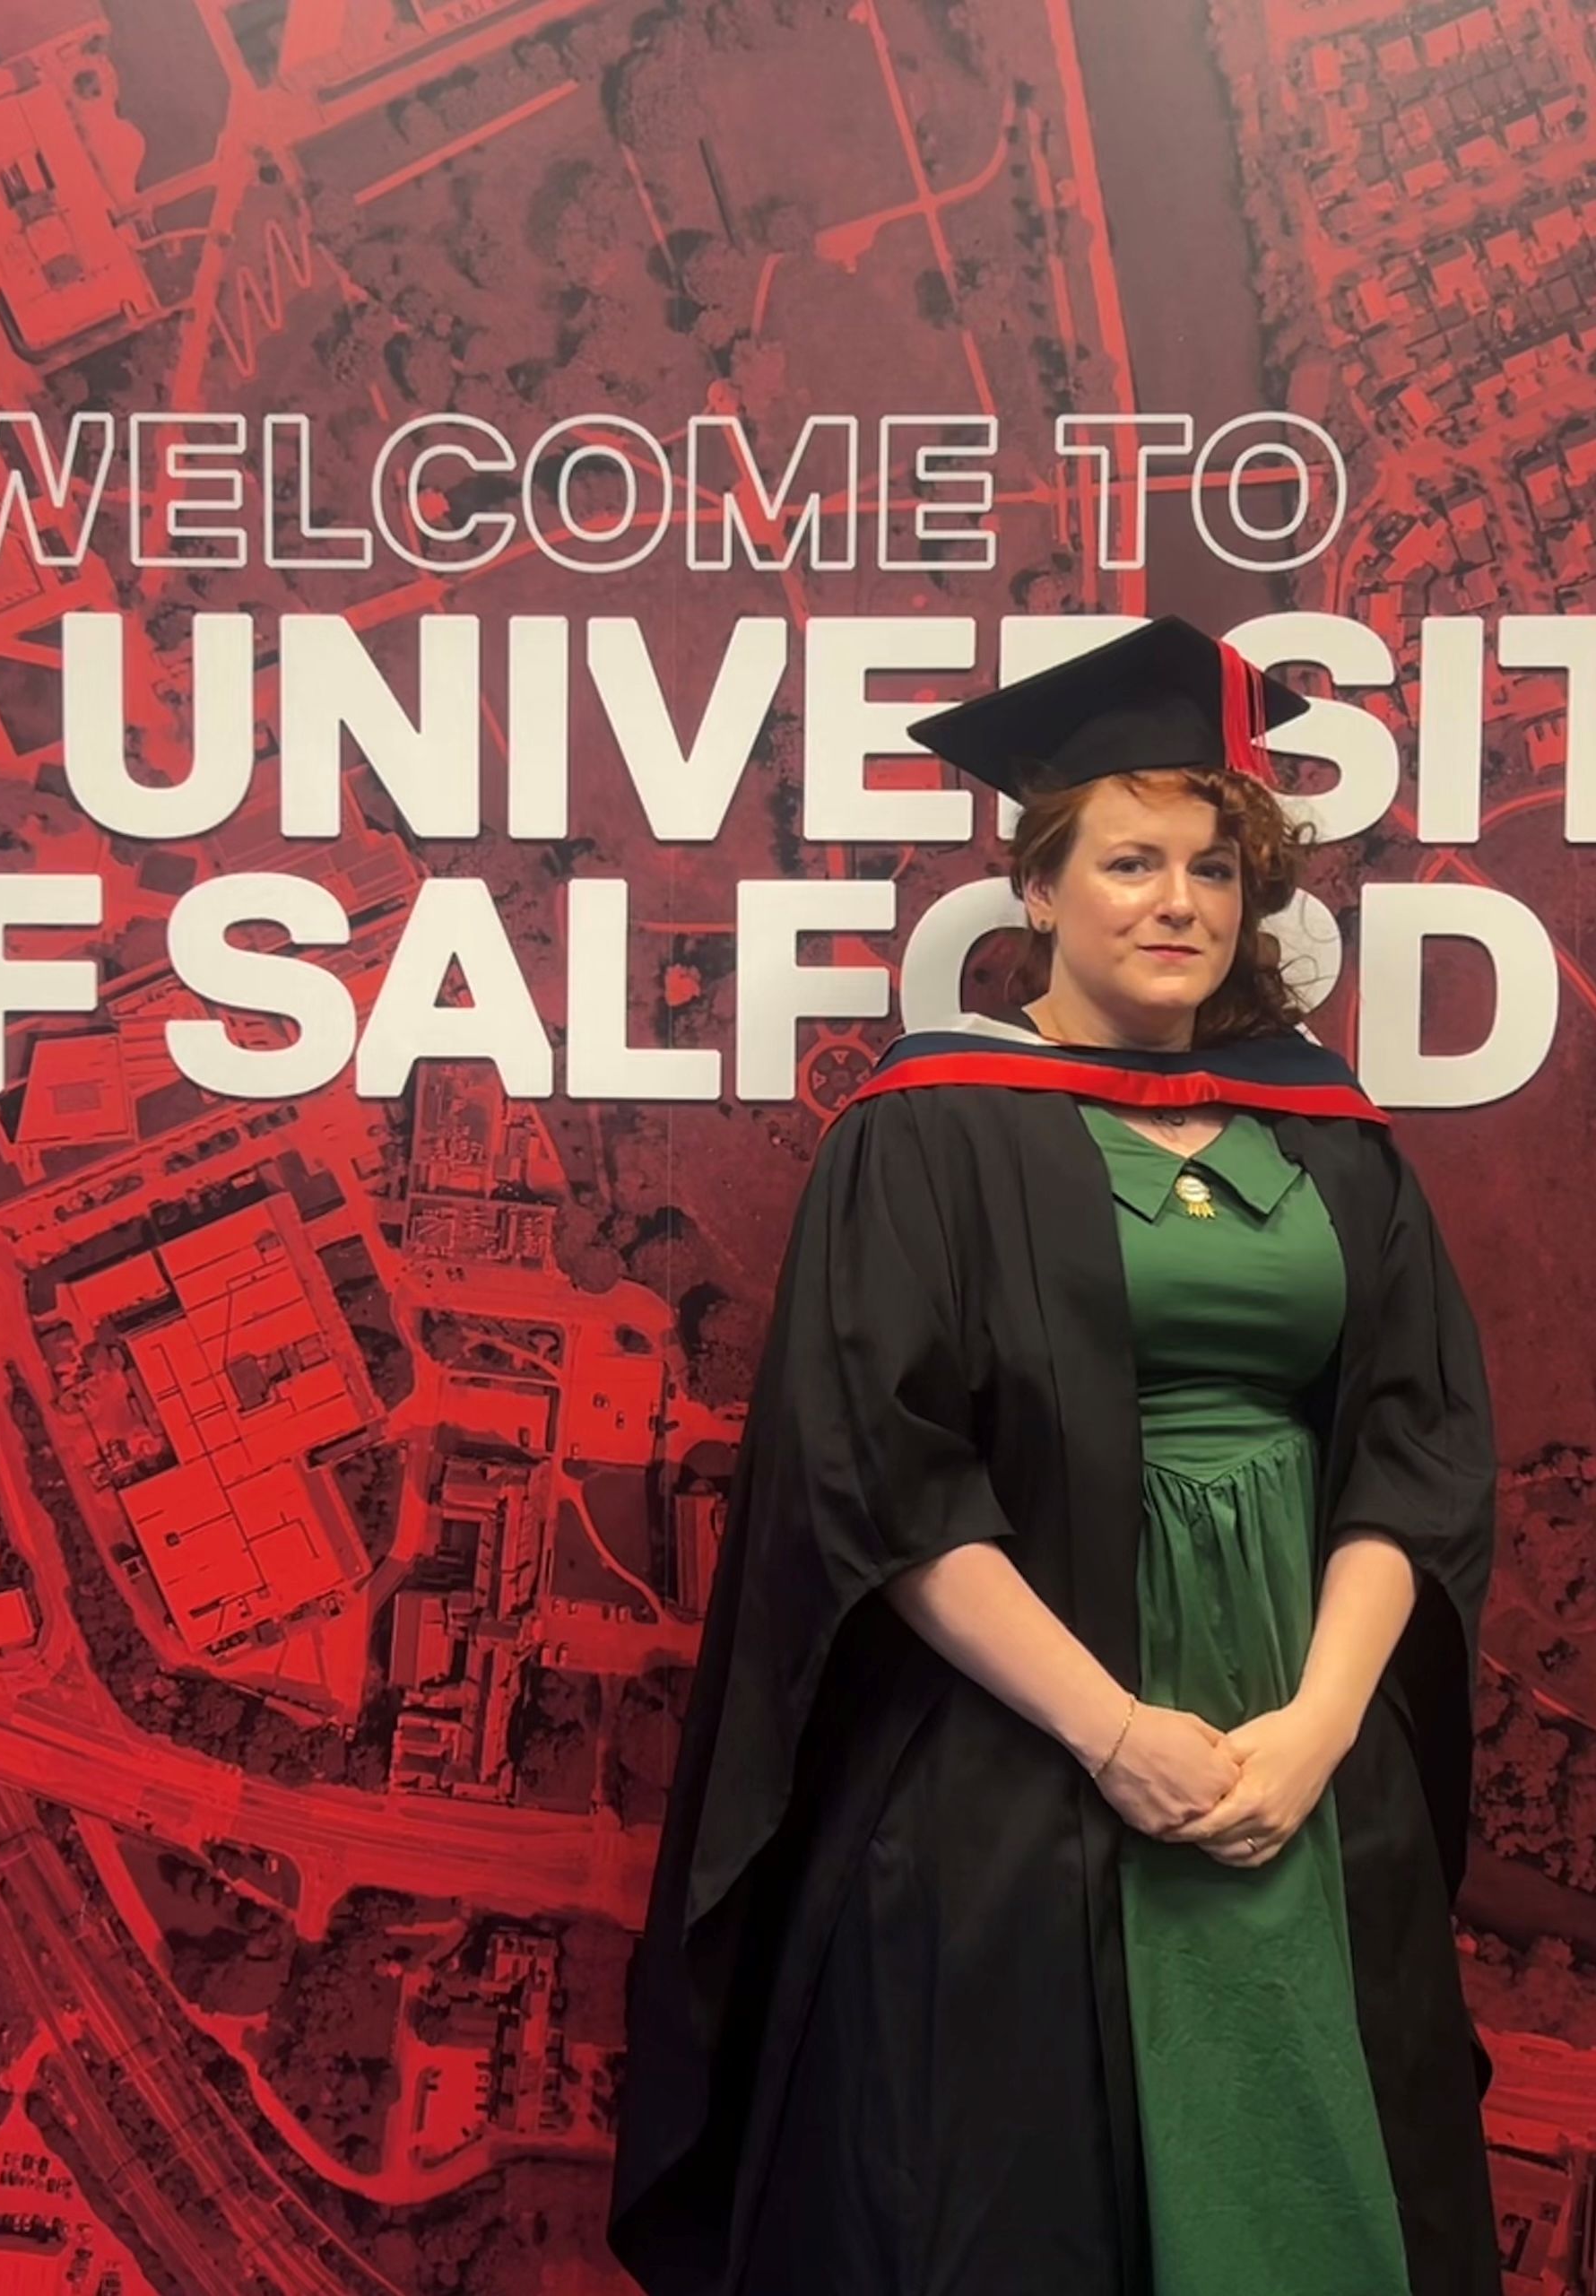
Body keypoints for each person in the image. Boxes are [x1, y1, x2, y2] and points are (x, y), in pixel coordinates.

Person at [608, 616, 1503, 2296]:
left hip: (1299, 1741)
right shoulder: (931, 1129)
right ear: (1037, 889)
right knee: (1016, 2198)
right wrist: (1114, 1734)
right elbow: (881, 1477)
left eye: (1214, 870)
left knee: (1317, 2178)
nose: (1180, 904)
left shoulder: (1331, 1139)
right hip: (1028, 1746)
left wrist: (1322, 1728)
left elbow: (1416, 1447)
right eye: (1131, 863)